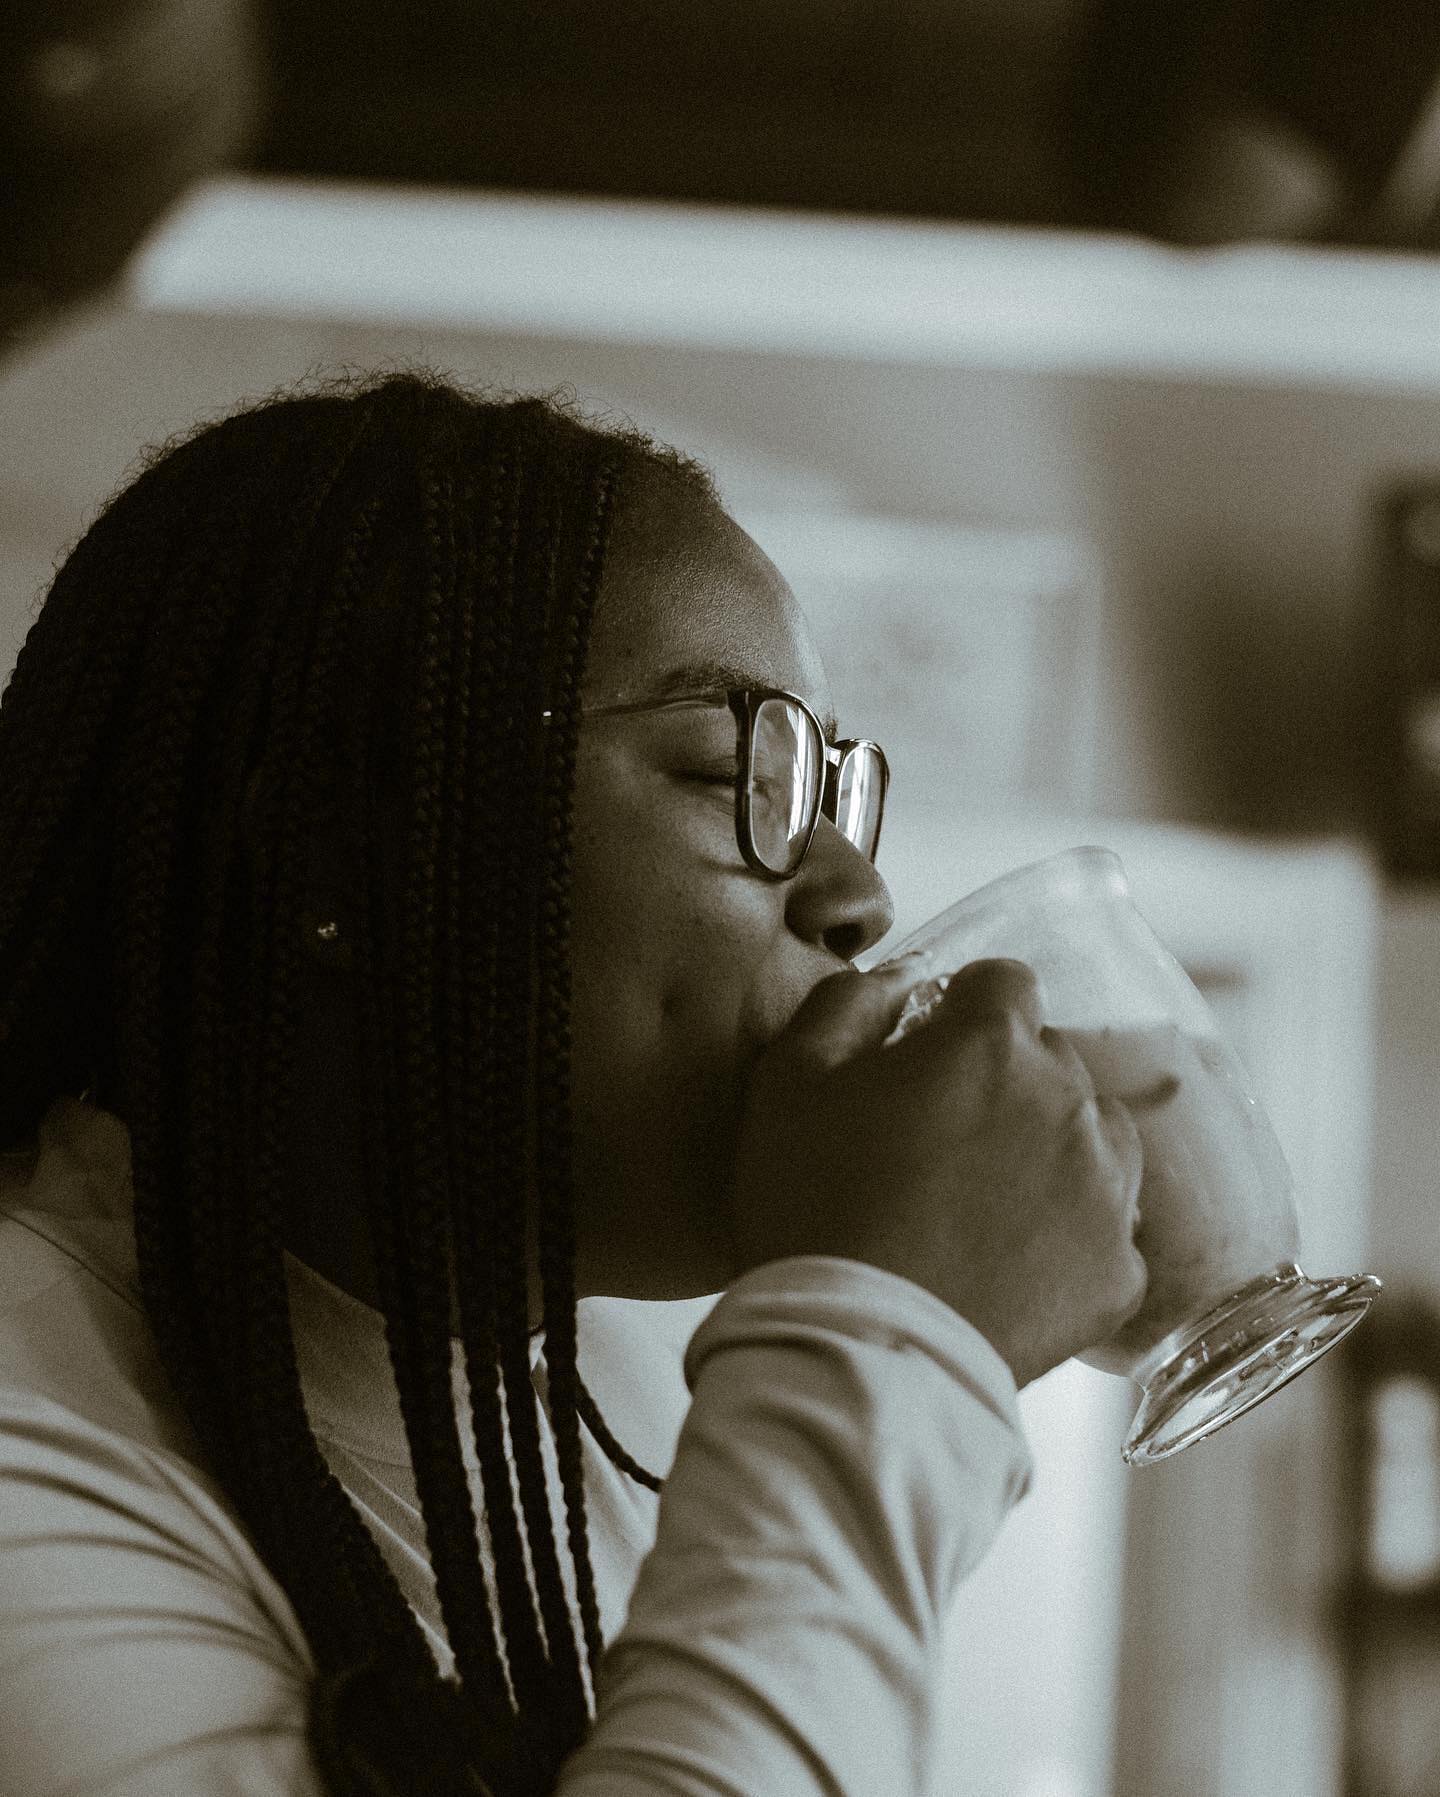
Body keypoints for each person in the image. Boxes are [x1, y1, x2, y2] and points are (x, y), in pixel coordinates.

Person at [0, 369, 1148, 1796]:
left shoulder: (583, 1414)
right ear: (331, 854)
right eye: (733, 771)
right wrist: (895, 1341)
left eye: (829, 792)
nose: (859, 895)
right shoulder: (29, 1435)